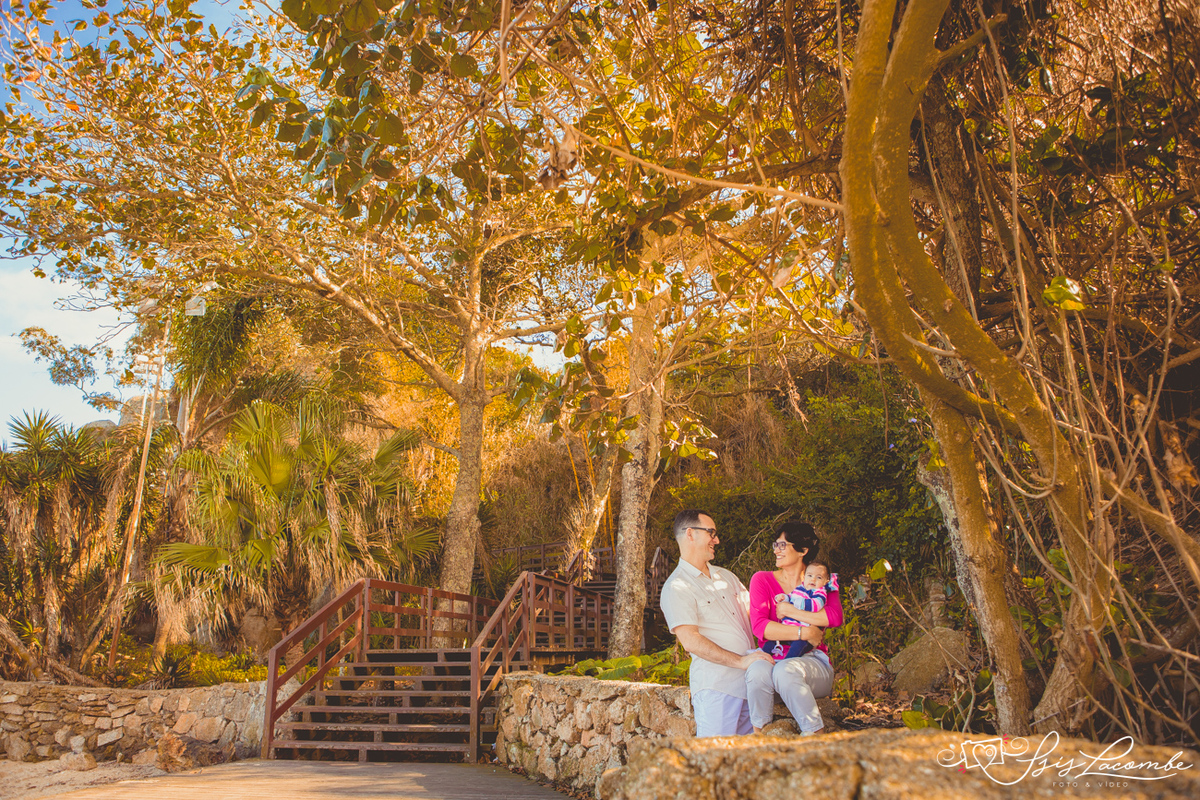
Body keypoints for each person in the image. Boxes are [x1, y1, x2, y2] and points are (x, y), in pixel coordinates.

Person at [660, 509, 775, 736]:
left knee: (750, 756)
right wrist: (741, 661)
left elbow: (757, 615)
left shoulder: (727, 577)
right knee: (715, 755)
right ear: (690, 534)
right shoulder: (676, 586)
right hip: (717, 689)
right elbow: (690, 641)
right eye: (711, 533)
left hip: (751, 685)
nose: (717, 540)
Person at [746, 521, 843, 735]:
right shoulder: (761, 579)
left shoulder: (821, 579)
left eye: (782, 545)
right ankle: (760, 736)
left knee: (785, 671)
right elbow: (760, 627)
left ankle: (815, 734)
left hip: (812, 662)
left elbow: (835, 617)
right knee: (756, 671)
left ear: (803, 550)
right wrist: (805, 632)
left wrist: (790, 611)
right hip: (773, 656)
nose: (776, 550)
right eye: (775, 545)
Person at [760, 559, 838, 660]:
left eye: (818, 577)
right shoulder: (800, 589)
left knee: (797, 648)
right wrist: (784, 598)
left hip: (805, 635)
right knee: (771, 643)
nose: (813, 580)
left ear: (825, 581)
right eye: (810, 576)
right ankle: (763, 656)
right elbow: (791, 597)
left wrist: (798, 604)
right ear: (804, 577)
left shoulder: (819, 592)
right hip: (789, 630)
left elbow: (816, 605)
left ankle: (788, 661)